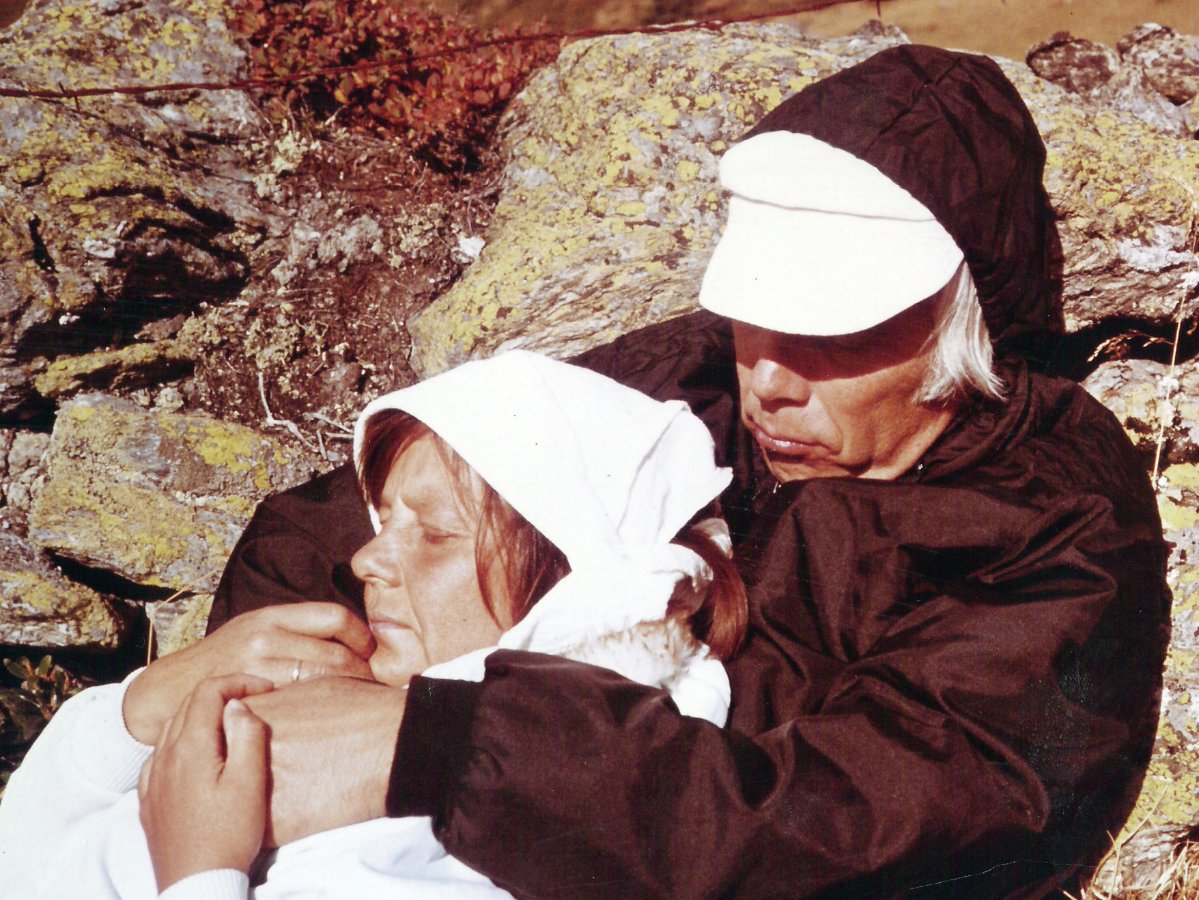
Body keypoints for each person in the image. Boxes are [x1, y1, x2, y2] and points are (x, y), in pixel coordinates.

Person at [196, 44, 1169, 897]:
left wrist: (444, 747)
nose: (769, 382)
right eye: (754, 314)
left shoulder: (1052, 521)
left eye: (833, 335)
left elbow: (882, 826)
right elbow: (334, 524)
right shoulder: (692, 375)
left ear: (961, 323)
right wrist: (271, 670)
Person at [0, 351, 747, 899]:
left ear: (578, 578)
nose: (364, 560)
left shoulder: (499, 834)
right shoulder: (387, 718)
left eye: (436, 534)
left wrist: (200, 870)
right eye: (383, 519)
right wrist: (142, 710)